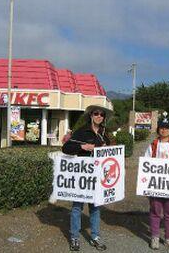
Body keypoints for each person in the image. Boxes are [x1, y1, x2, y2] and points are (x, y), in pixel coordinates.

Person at [62, 105, 112, 251]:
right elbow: (66, 148)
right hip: (82, 176)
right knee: (77, 207)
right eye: (96, 114)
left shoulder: (104, 134)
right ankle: (75, 238)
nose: (99, 116)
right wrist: (82, 147)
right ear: (91, 115)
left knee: (95, 207)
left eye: (101, 115)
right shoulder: (82, 132)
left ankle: (95, 237)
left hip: (98, 176)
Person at [144, 113, 169, 250]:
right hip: (155, 185)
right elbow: (146, 165)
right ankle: (154, 237)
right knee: (155, 211)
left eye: (166, 128)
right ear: (158, 130)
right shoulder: (153, 146)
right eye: (161, 127)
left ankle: (168, 238)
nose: (164, 130)